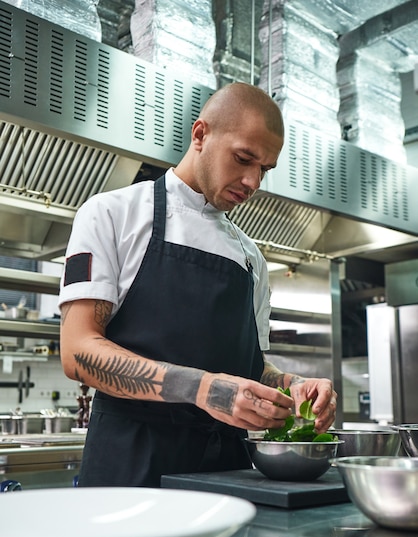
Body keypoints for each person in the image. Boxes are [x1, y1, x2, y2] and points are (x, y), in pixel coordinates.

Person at [59, 82, 337, 488]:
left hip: (229, 474)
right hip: (130, 467)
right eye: (243, 159)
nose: (253, 181)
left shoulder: (250, 257)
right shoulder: (112, 215)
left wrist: (294, 387)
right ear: (200, 135)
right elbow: (78, 351)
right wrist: (203, 388)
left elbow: (253, 366)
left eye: (264, 169)